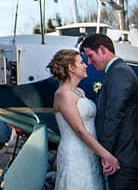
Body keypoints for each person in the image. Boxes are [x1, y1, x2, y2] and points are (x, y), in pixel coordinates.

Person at [81, 32, 138, 190]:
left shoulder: (119, 73)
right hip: (121, 154)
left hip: (122, 155)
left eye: (90, 56)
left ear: (102, 50)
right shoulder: (116, 72)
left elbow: (114, 114)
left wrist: (106, 153)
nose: (89, 62)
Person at [48, 49, 115, 190]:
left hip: (90, 152)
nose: (86, 65)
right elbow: (79, 130)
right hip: (75, 153)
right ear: (71, 68)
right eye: (81, 62)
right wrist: (106, 155)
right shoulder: (62, 95)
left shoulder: (80, 92)